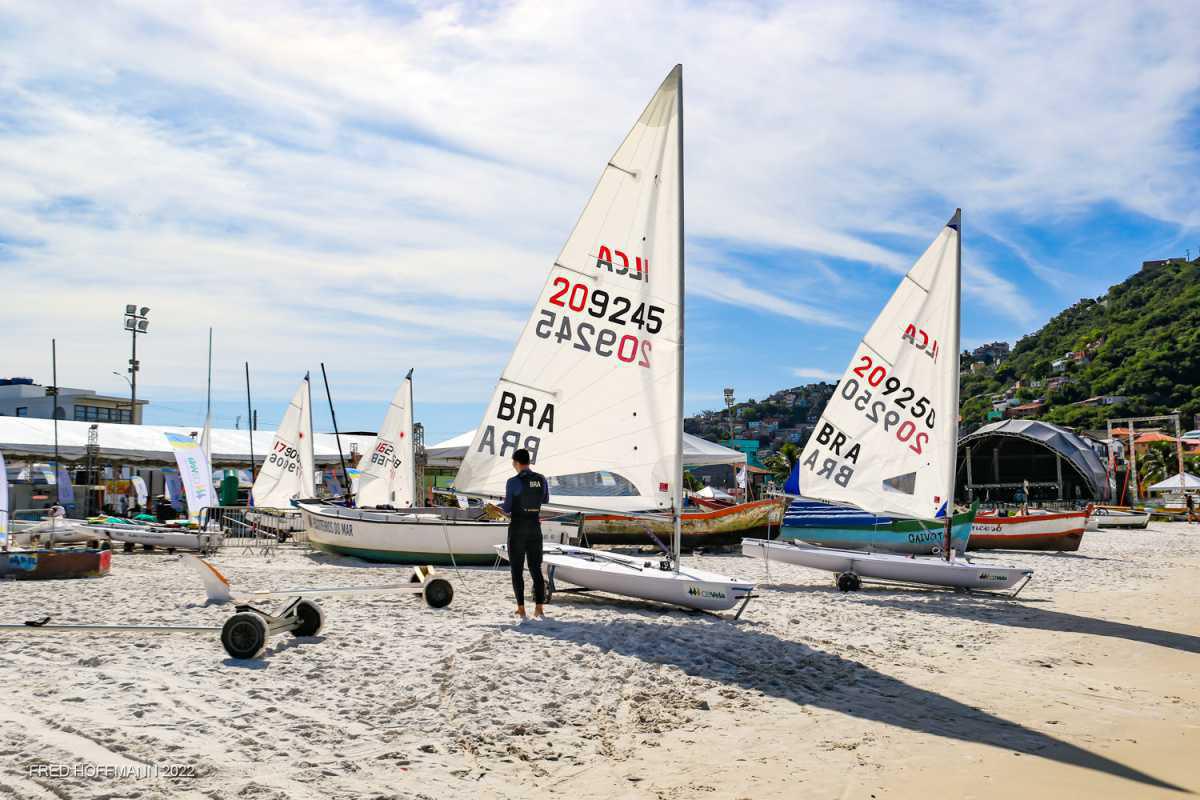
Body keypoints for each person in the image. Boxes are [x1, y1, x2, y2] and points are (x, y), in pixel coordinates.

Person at [501, 448, 549, 620]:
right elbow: (544, 499)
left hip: (518, 529)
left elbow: (506, 508)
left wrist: (495, 507)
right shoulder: (541, 479)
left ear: (516, 462)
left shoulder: (512, 482)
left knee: (517, 570)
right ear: (529, 462)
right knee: (536, 569)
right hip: (535, 528)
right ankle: (539, 608)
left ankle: (521, 609)